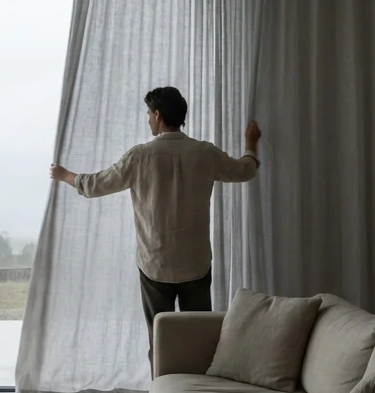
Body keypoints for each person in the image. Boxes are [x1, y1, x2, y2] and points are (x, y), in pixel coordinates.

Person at [49, 87, 261, 374]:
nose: (148, 119)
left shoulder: (140, 156)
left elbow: (96, 185)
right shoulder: (204, 153)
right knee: (200, 338)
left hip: (154, 265)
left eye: (149, 114)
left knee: (159, 339)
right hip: (195, 264)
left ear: (158, 115)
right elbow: (245, 170)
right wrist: (251, 142)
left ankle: (162, 392)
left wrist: (64, 175)